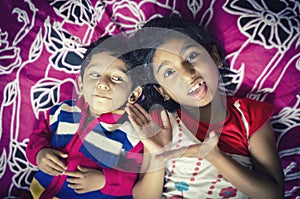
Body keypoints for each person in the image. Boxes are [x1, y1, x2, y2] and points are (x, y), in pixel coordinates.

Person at [125, 16, 284, 199]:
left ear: (214, 57)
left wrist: (213, 156)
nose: (187, 74)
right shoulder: (161, 123)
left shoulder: (249, 116)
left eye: (191, 56)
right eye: (169, 72)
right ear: (163, 91)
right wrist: (159, 154)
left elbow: (273, 194)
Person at [26, 35, 143, 199]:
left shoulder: (132, 134)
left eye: (117, 78)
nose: (102, 83)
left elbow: (134, 181)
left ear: (133, 93)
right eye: (95, 75)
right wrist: (39, 154)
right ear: (81, 83)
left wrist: (104, 180)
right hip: (38, 192)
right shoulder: (62, 111)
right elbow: (37, 136)